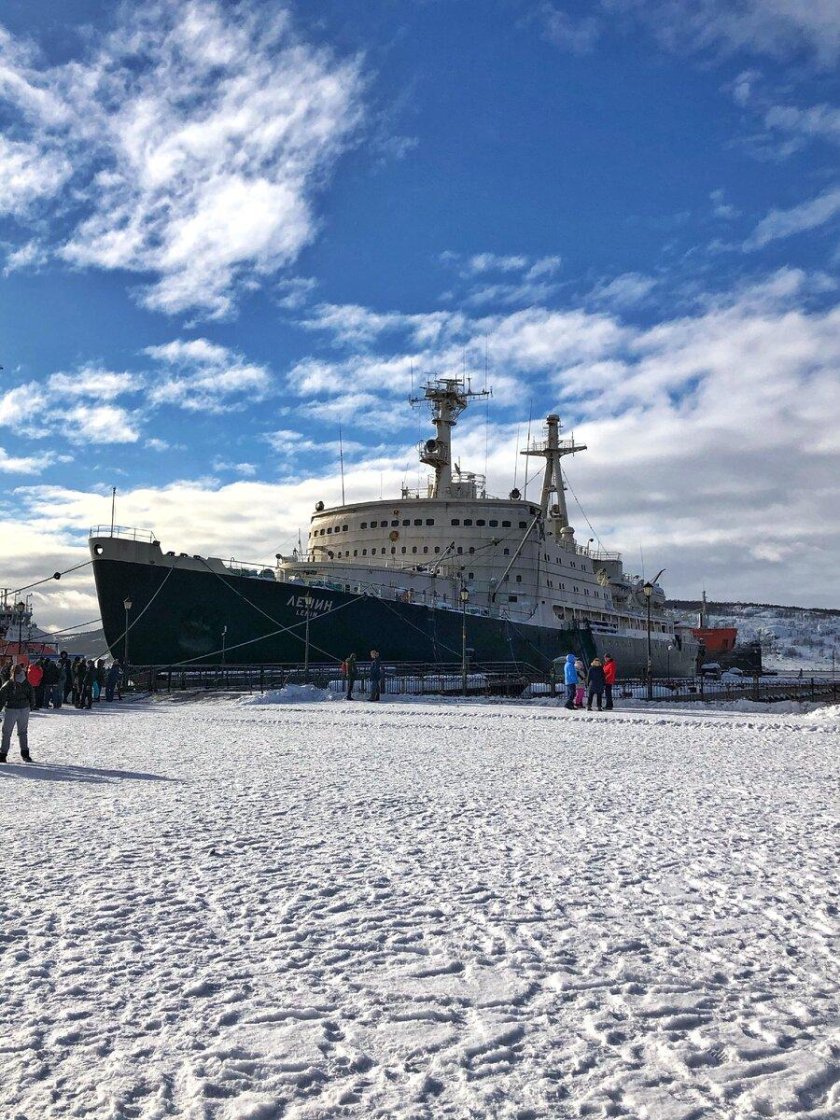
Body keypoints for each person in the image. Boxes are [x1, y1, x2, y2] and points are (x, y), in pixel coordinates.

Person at [0, 666, 35, 762]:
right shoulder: (26, 683)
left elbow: (1, 699)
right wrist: (30, 706)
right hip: (24, 709)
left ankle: (3, 754)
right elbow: (32, 695)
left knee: (6, 733)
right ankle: (25, 754)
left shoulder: (8, 684)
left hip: (11, 710)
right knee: (23, 732)